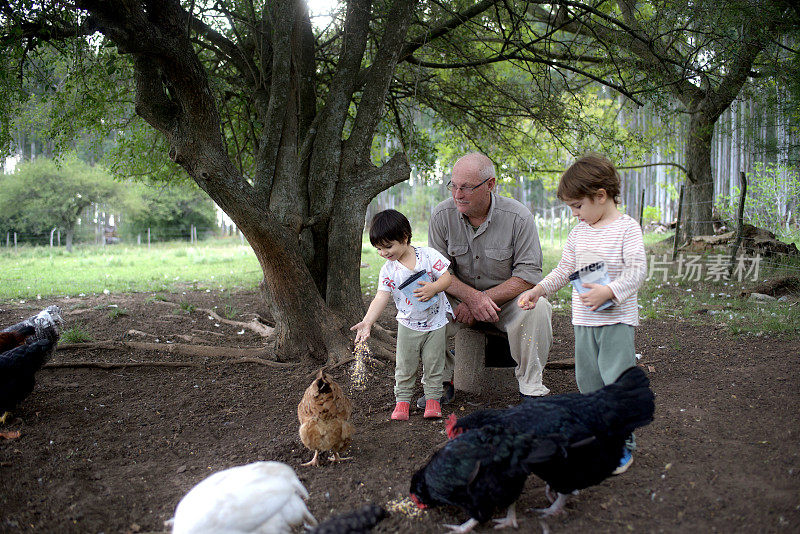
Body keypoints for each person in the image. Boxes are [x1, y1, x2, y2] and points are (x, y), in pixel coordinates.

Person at [518, 153, 647, 474]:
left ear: (600, 196)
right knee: (588, 382)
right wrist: (539, 290)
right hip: (585, 323)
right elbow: (564, 270)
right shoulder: (579, 233)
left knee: (615, 383)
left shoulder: (626, 229)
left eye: (577, 206)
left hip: (616, 322)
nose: (574, 214)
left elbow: (637, 271)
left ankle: (623, 444)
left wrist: (611, 291)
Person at [425, 152, 553, 408]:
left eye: (466, 188)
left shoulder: (518, 217)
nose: (457, 194)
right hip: (457, 302)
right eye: (454, 186)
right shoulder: (441, 216)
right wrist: (470, 299)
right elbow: (438, 271)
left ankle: (531, 388)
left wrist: (482, 300)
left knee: (538, 306)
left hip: (505, 302)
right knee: (422, 302)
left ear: (490, 185)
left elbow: (528, 275)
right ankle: (437, 386)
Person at [351, 209, 453, 421]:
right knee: (405, 365)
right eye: (378, 248)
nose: (384, 253)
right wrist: (368, 322)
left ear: (405, 237)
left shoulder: (428, 256)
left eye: (388, 246)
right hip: (408, 324)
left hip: (435, 323)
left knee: (434, 364)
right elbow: (381, 296)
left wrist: (434, 288)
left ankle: (433, 400)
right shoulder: (389, 270)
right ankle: (402, 401)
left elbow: (447, 278)